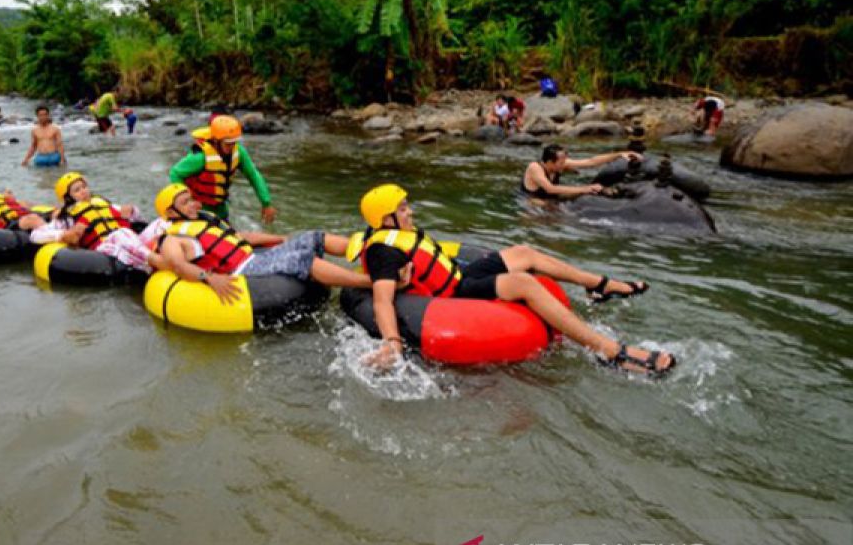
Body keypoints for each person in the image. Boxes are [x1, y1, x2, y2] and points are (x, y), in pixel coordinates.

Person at [355, 184, 674, 376]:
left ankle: (598, 284)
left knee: (524, 253)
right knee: (523, 282)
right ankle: (608, 351)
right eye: (403, 208)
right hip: (453, 294)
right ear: (387, 219)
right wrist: (393, 345)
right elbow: (382, 299)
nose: (410, 212)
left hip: (458, 274)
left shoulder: (399, 235)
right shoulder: (385, 250)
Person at [152, 183, 374, 305]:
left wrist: (279, 239)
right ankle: (369, 282)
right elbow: (178, 265)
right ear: (172, 212)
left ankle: (370, 251)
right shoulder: (172, 238)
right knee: (303, 260)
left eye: (191, 198)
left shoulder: (204, 221)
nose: (194, 203)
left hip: (254, 257)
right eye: (186, 202)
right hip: (243, 271)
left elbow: (240, 238)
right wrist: (210, 278)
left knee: (313, 237)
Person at [29, 172, 167, 273]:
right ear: (68, 197)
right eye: (77, 190)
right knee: (121, 233)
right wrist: (63, 235)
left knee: (163, 221)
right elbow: (35, 234)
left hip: (128, 240)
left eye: (84, 187)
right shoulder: (67, 217)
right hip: (103, 248)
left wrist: (132, 211)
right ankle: (156, 262)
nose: (83, 191)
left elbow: (138, 218)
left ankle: (176, 252)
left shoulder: (103, 203)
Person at [168, 114, 277, 225]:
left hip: (220, 209)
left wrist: (266, 203)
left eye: (234, 142)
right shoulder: (200, 157)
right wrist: (186, 202)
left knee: (229, 236)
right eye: (228, 144)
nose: (232, 147)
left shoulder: (238, 152)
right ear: (216, 141)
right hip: (198, 209)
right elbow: (175, 173)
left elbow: (253, 175)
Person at [521, 144, 643, 200]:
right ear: (549, 162)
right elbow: (550, 189)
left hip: (551, 195)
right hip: (531, 198)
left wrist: (619, 154)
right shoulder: (535, 168)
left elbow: (591, 161)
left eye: (565, 161)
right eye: (561, 163)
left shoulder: (560, 164)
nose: (564, 164)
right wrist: (586, 188)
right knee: (545, 207)